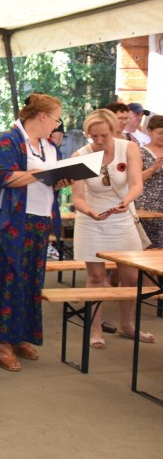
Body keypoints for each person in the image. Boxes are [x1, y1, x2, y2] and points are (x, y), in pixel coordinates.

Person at [0, 93, 68, 372]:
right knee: (8, 278)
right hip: (12, 220)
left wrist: (59, 181)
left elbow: (48, 182)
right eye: (56, 119)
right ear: (42, 116)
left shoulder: (49, 146)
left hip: (39, 221)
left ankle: (20, 334)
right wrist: (42, 173)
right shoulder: (9, 140)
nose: (57, 125)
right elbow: (2, 176)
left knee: (31, 279)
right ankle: (2, 343)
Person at [70, 108, 154, 348]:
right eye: (93, 136)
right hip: (92, 220)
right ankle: (95, 329)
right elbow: (77, 197)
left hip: (122, 217)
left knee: (130, 276)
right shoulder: (80, 156)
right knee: (96, 277)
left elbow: (137, 184)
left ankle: (127, 325)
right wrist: (89, 211)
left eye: (103, 136)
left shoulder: (128, 148)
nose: (98, 141)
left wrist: (126, 201)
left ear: (114, 130)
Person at [137, 115, 163, 248]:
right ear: (149, 131)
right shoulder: (140, 152)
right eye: (160, 133)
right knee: (148, 246)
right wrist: (154, 168)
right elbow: (135, 179)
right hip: (147, 206)